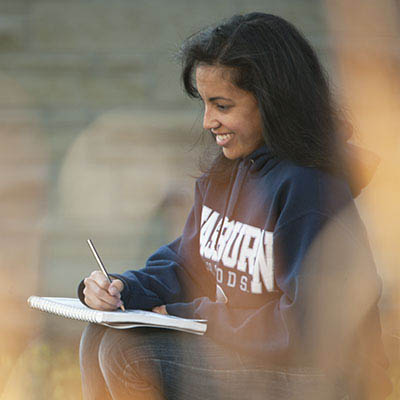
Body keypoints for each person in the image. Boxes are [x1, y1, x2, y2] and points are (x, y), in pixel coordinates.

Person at [78, 13, 391, 400]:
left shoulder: (310, 190)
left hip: (320, 379)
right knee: (100, 333)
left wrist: (192, 314)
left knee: (129, 353)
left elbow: (308, 328)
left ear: (272, 102)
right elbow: (188, 263)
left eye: (222, 106)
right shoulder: (226, 174)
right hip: (256, 361)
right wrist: (122, 288)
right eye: (205, 105)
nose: (208, 121)